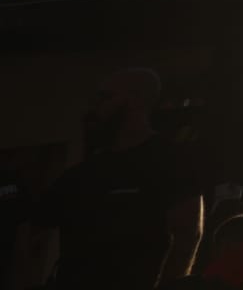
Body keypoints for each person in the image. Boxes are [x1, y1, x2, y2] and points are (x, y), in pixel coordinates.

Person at [29, 69, 202, 288]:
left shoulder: (169, 160)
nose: (95, 106)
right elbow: (38, 227)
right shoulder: (85, 170)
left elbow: (187, 236)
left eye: (105, 97)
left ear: (136, 100)